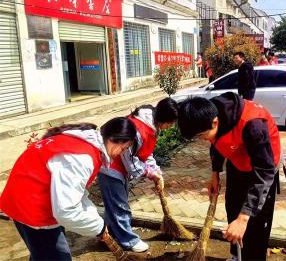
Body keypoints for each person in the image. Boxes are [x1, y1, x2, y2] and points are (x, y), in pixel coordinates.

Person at [0, 117, 137, 261]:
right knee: (53, 255)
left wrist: (98, 222)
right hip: (31, 206)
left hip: (29, 197)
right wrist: (97, 227)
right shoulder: (82, 158)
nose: (122, 153)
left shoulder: (87, 142)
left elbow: (77, 194)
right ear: (116, 140)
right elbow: (66, 211)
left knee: (42, 253)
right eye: (124, 148)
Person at [177, 92, 281, 261]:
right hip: (237, 161)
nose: (202, 140)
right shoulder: (210, 112)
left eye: (201, 136)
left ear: (215, 122)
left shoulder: (253, 123)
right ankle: (236, 255)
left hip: (263, 169)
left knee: (254, 224)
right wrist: (215, 173)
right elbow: (215, 142)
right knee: (233, 208)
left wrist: (244, 217)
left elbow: (264, 170)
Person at [98, 98, 178, 252]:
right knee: (120, 207)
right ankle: (128, 241)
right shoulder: (137, 130)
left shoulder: (152, 126)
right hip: (110, 168)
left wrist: (157, 171)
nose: (171, 126)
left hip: (120, 170)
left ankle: (109, 233)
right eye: (171, 123)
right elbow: (131, 161)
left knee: (114, 205)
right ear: (164, 119)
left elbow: (146, 153)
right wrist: (149, 173)